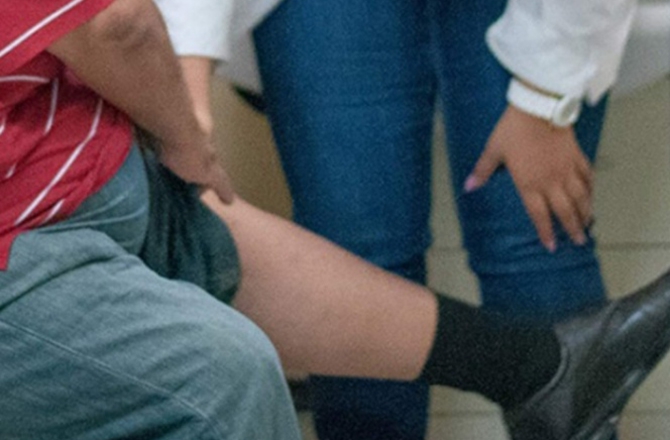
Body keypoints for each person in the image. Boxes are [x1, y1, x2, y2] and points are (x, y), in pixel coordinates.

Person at [1, 1, 667, 439]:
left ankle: (550, 368)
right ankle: (548, 367)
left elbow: (116, 24)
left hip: (73, 173)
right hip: (47, 211)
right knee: (353, 255)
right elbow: (116, 24)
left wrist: (547, 94)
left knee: (531, 243)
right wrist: (186, 98)